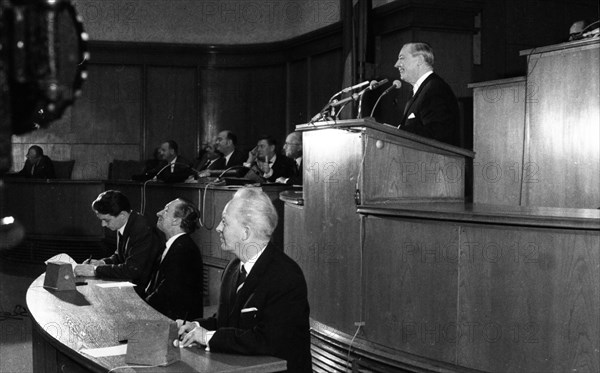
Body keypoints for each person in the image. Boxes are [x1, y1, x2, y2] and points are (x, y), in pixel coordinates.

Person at [176, 187, 311, 372]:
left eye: (225, 222)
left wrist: (207, 337)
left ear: (246, 233)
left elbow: (267, 341)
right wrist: (196, 326)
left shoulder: (285, 276)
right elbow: (227, 322)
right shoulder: (232, 267)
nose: (218, 228)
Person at [74, 190, 160, 296]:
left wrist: (95, 270)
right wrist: (102, 263)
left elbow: (131, 269)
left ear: (122, 215)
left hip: (142, 291)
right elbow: (120, 256)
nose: (103, 224)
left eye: (107, 220)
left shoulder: (141, 229)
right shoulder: (124, 222)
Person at [145, 198, 204, 320]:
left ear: (176, 221)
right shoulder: (174, 245)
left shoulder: (185, 250)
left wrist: (139, 308)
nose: (158, 213)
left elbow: (167, 293)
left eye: (166, 211)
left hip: (175, 325)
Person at [394, 42, 460, 146]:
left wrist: (399, 131)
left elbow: (437, 133)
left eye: (402, 58)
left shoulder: (435, 89)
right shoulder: (421, 89)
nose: (396, 64)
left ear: (419, 60)